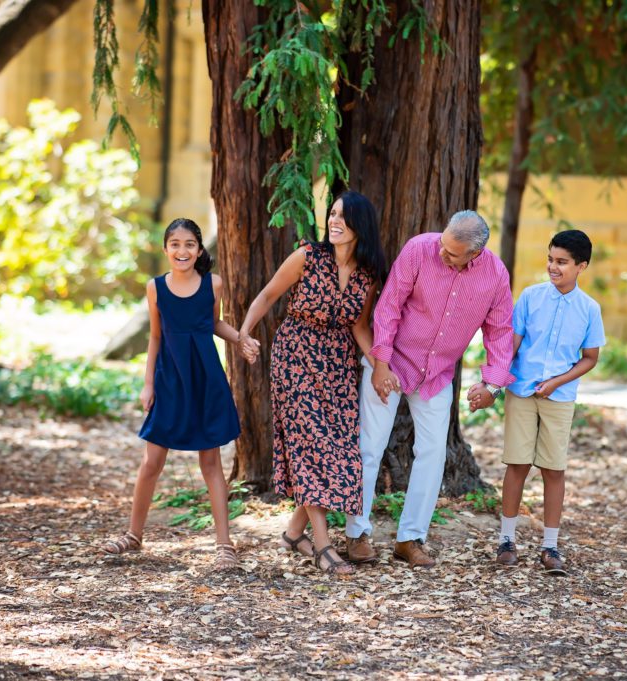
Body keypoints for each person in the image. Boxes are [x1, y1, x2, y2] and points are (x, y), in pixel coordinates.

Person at [345, 210, 514, 569]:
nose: (443, 254)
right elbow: (388, 307)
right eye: (444, 245)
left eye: (453, 253)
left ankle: (410, 538)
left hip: (437, 373)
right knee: (370, 446)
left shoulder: (495, 275)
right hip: (393, 361)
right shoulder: (420, 249)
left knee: (434, 453)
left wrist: (493, 383)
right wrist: (380, 363)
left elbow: (499, 332)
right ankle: (356, 533)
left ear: (475, 253)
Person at [234, 191, 386, 576]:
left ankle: (294, 534)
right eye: (332, 214)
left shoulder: (368, 276)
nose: (334, 221)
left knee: (337, 450)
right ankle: (323, 546)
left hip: (337, 364)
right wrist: (244, 334)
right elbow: (268, 294)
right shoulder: (307, 256)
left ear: (359, 225)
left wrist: (379, 366)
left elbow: (359, 326)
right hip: (296, 355)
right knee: (310, 445)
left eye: (343, 217)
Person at [101, 218, 245, 570]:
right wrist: (148, 383)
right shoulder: (156, 288)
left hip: (205, 379)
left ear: (199, 249)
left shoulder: (213, 284)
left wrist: (242, 338)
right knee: (152, 461)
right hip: (169, 380)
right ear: (165, 249)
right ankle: (134, 535)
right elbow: (155, 337)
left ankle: (224, 545)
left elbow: (213, 324)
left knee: (210, 462)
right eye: (175, 244)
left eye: (189, 244)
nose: (182, 251)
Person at [495, 229, 605, 576]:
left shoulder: (589, 309)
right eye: (550, 259)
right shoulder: (530, 297)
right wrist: (495, 382)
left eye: (562, 262)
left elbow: (590, 357)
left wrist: (557, 382)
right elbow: (512, 344)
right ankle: (506, 540)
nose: (553, 267)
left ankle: (550, 545)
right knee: (517, 464)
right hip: (522, 391)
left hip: (559, 398)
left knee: (554, 469)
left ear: (581, 266)